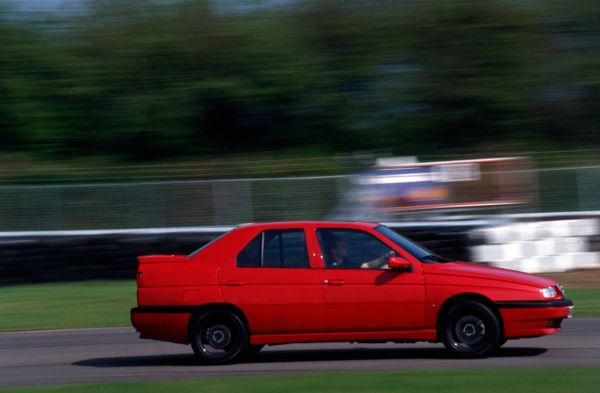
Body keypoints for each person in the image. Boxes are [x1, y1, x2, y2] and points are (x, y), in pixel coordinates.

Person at [328, 236, 395, 269]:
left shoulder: (345, 262)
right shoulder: (330, 266)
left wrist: (385, 257)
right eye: (343, 246)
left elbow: (366, 266)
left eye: (346, 245)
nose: (346, 248)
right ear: (334, 251)